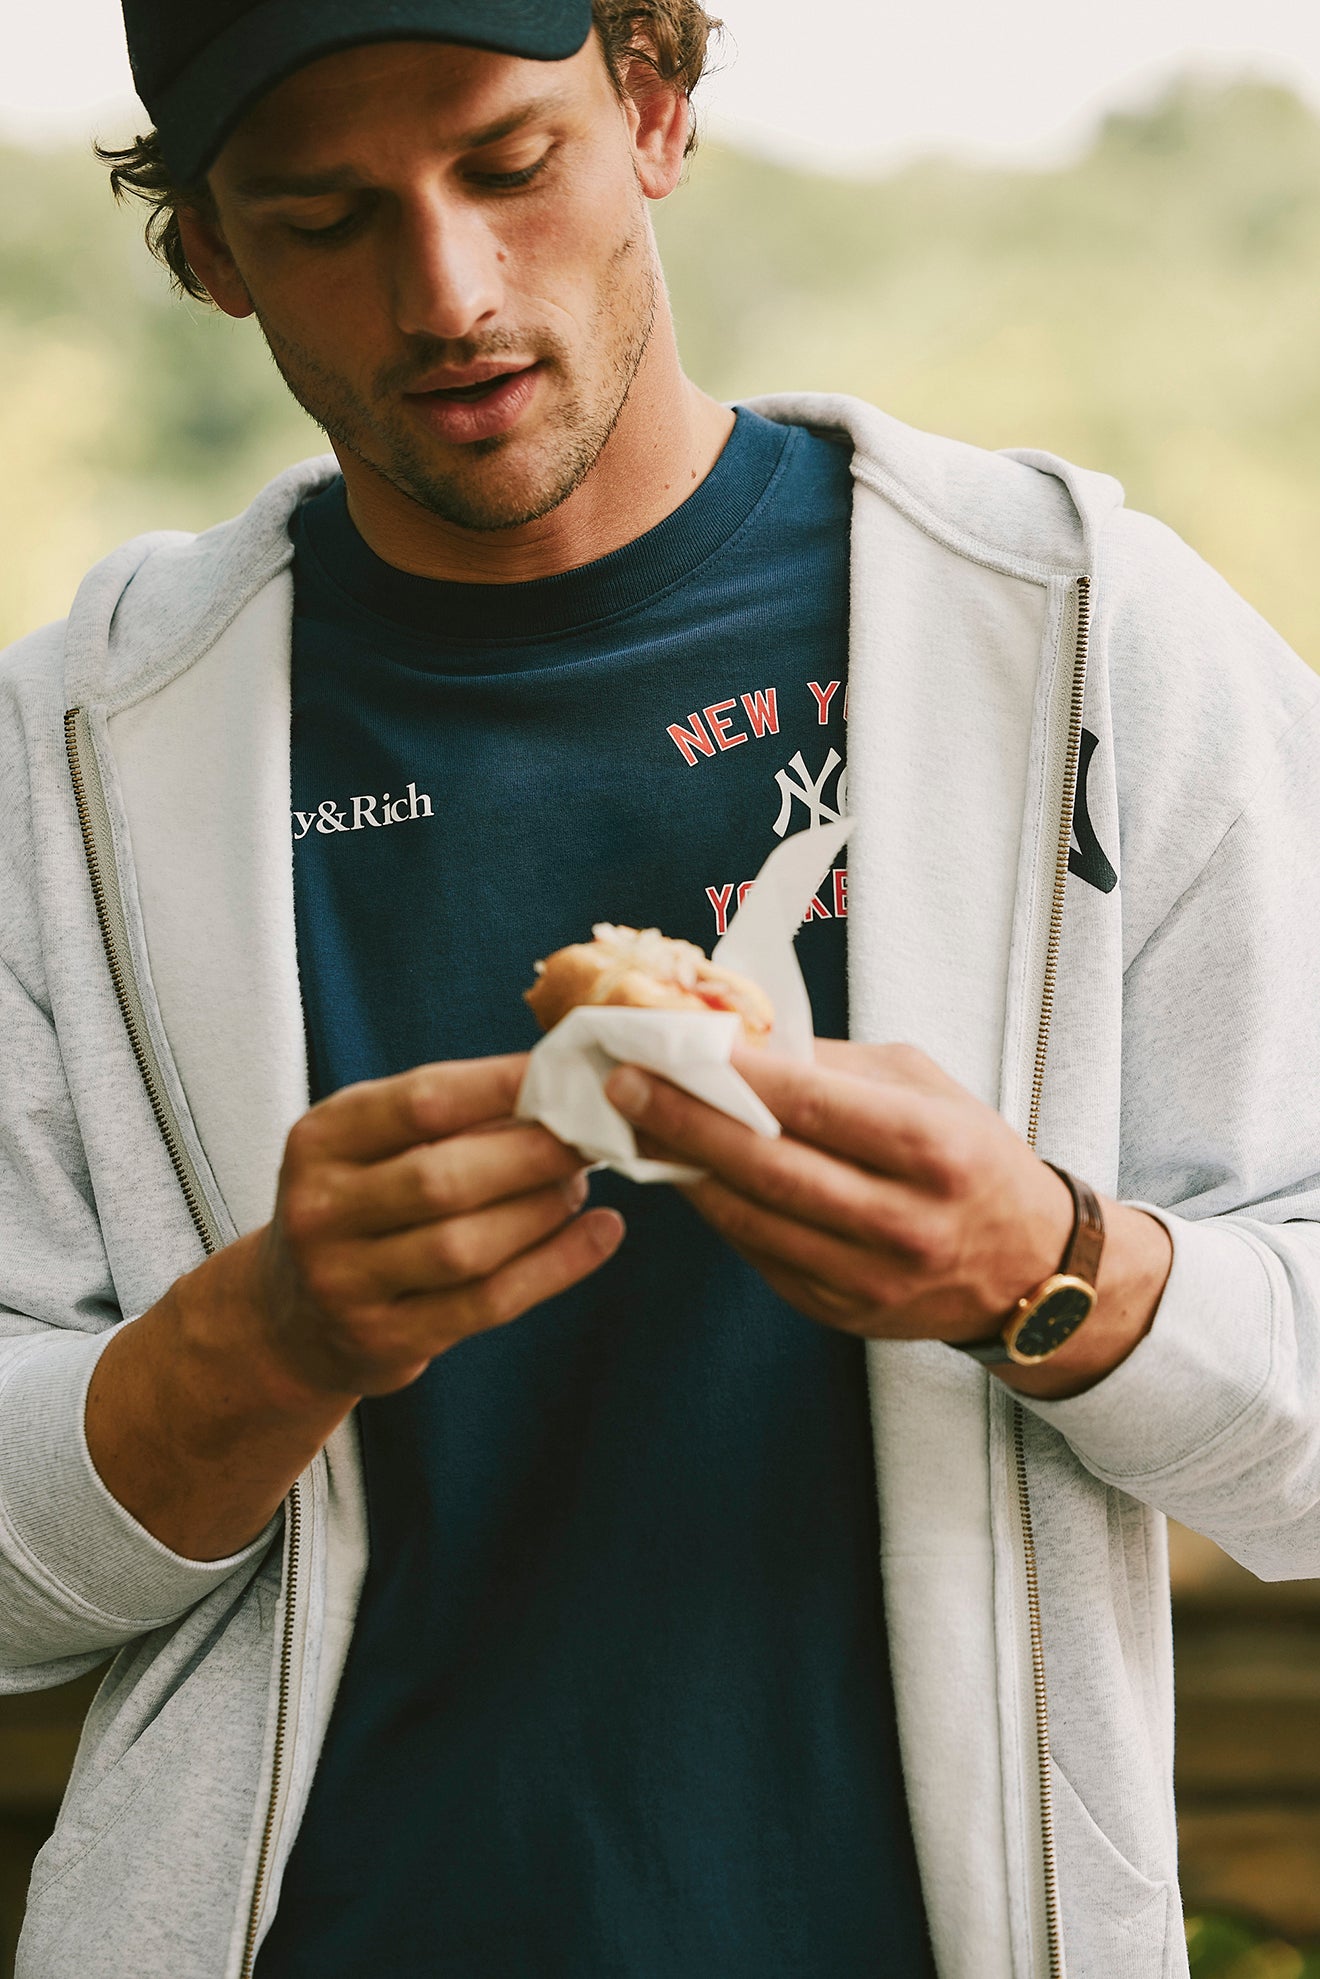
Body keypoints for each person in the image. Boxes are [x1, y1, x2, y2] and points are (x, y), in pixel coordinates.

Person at [2, 0, 1319, 1972]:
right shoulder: (65, 763)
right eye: (325, 218)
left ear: (655, 107)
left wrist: (1051, 1270)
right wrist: (264, 1339)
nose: (449, 294)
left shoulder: (1086, 641)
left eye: (508, 165)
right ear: (209, 251)